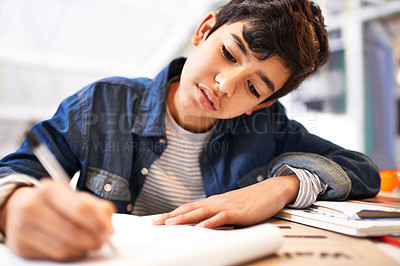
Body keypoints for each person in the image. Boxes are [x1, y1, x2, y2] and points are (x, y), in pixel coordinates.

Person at [0, 0, 380, 262]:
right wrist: (11, 205)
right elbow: (12, 174)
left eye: (254, 87)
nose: (225, 84)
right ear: (203, 29)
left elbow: (361, 168)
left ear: (263, 103)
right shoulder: (102, 104)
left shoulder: (269, 124)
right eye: (230, 54)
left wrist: (281, 186)